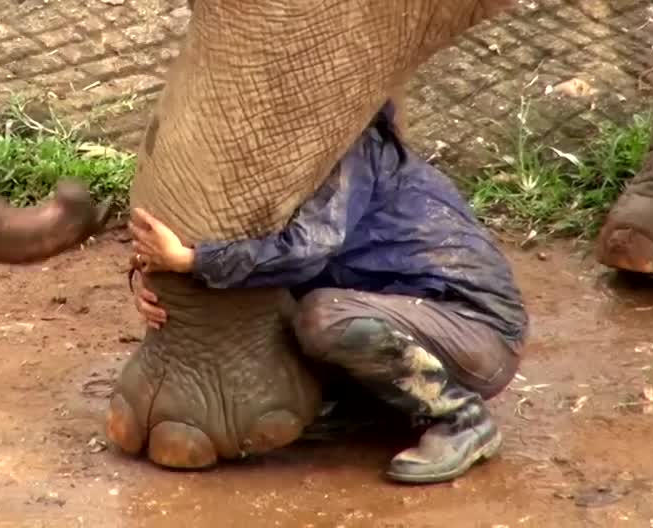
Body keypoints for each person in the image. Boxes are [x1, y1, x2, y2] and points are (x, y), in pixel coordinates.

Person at [127, 99, 527, 485]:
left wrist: (192, 262)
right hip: (409, 316)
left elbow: (304, 253)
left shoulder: (349, 147)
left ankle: (461, 417)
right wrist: (159, 278)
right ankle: (377, 408)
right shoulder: (309, 151)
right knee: (303, 310)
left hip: (475, 330)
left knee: (324, 317)